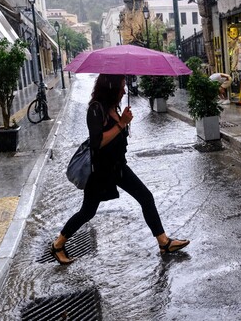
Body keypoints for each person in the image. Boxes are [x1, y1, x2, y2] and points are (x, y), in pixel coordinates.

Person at [50, 74, 190, 265]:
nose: (124, 90)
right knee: (88, 212)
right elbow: (97, 143)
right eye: (121, 86)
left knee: (146, 197)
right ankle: (58, 244)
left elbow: (118, 136)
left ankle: (163, 242)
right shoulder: (95, 109)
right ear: (110, 87)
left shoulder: (113, 108)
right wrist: (121, 123)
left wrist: (124, 121)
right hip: (99, 171)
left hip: (118, 167)